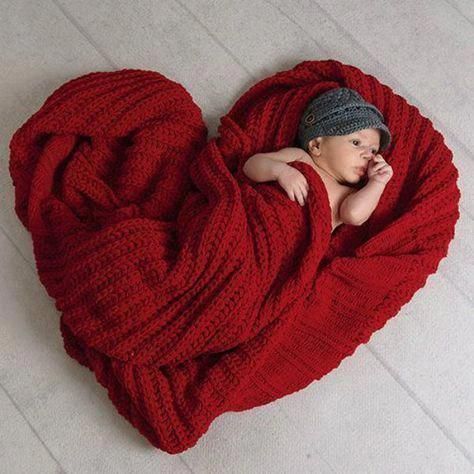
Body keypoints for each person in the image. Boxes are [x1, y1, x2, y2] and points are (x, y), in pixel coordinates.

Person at [243, 87, 394, 233]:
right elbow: (250, 165)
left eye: (373, 150)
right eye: (356, 143)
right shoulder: (299, 158)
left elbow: (354, 216)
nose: (368, 156)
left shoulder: (348, 196)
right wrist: (280, 171)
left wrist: (378, 182)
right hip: (254, 221)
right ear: (316, 145)